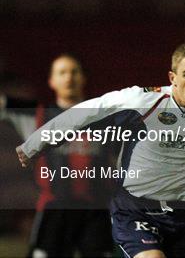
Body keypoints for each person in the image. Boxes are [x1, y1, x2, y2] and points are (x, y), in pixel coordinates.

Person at [15, 43, 185, 258]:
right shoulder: (142, 102)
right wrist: (37, 141)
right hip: (136, 211)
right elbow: (88, 110)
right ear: (172, 77)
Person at [1, 54, 114, 258]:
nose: (69, 77)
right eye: (62, 72)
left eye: (74, 72)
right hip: (54, 210)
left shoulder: (104, 117)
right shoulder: (35, 114)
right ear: (51, 81)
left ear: (83, 78)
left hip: (95, 210)